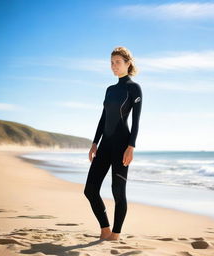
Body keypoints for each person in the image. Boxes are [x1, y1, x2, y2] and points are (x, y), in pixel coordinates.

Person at [84, 46, 142, 241]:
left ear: (127, 64)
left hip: (121, 146)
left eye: (117, 62)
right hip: (105, 146)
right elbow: (103, 118)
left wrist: (131, 147)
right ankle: (105, 229)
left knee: (118, 192)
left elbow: (136, 121)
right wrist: (94, 143)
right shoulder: (110, 90)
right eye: (111, 62)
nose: (113, 66)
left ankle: (115, 234)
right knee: (90, 189)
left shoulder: (133, 88)